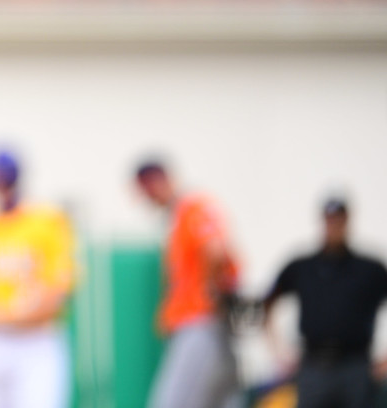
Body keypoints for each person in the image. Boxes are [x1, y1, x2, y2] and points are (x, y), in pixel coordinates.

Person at [0, 148, 75, 408]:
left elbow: (54, 298)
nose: (0, 187)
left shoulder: (46, 223)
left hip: (35, 342)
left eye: (5, 179)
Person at [134, 159, 242, 408]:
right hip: (200, 323)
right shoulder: (178, 215)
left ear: (155, 183)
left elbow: (215, 250)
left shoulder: (193, 207)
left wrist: (210, 291)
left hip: (200, 321)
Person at [262, 197, 387, 408]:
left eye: (338, 220)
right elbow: (267, 302)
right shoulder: (302, 267)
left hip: (355, 366)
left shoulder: (370, 269)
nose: (334, 226)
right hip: (314, 366)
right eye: (330, 220)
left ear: (347, 221)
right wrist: (278, 352)